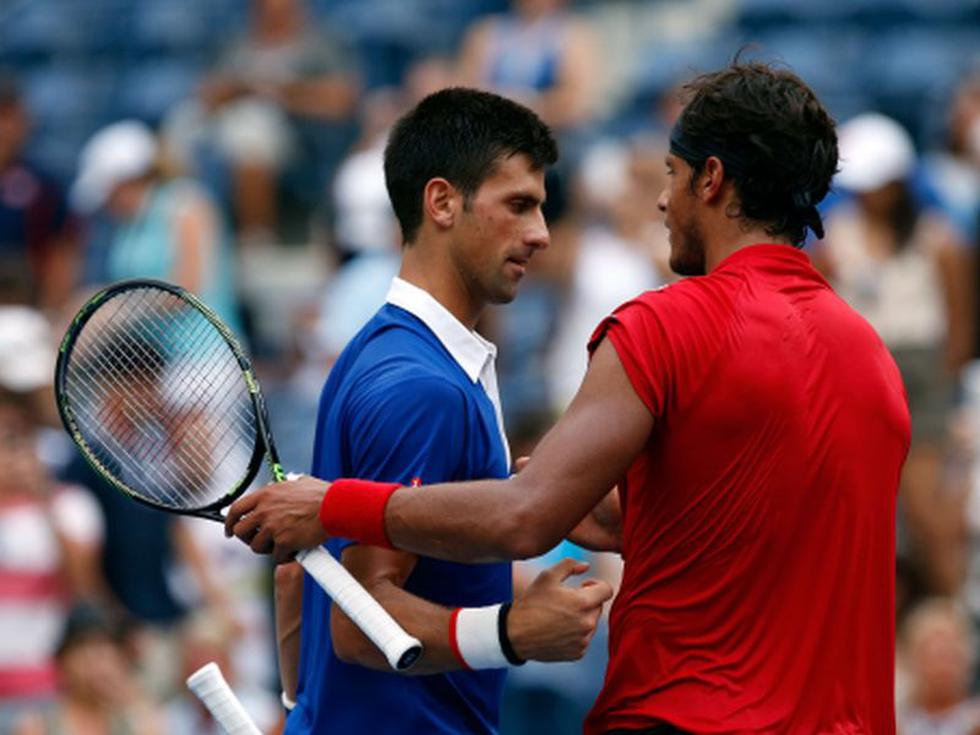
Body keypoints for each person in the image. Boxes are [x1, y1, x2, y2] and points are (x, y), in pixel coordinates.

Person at [228, 63, 912, 734]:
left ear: (711, 180)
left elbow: (523, 517)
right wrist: (611, 537)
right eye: (521, 204)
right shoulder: (874, 359)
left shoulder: (663, 325)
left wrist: (330, 506)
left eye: (670, 176)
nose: (661, 201)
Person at [266, 87, 613, 735]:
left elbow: (297, 580)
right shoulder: (422, 387)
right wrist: (512, 630)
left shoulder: (379, 351)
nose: (539, 234)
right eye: (519, 205)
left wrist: (301, 708)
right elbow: (359, 622)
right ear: (442, 202)